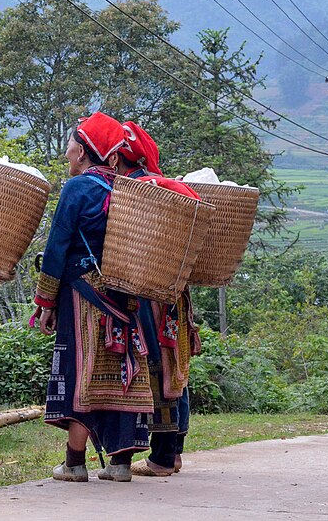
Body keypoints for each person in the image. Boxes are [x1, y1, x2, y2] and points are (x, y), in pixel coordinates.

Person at [34, 112, 153, 483]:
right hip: (122, 297)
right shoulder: (127, 188)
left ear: (84, 151)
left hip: (82, 296)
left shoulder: (78, 189)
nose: (67, 154)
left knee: (80, 375)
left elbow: (56, 249)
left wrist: (45, 302)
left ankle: (74, 463)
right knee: (120, 376)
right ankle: (119, 465)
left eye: (70, 147)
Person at [117, 121, 200, 477]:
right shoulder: (169, 188)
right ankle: (175, 453)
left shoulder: (133, 192)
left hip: (149, 296)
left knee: (159, 369)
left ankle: (162, 458)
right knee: (176, 369)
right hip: (174, 296)